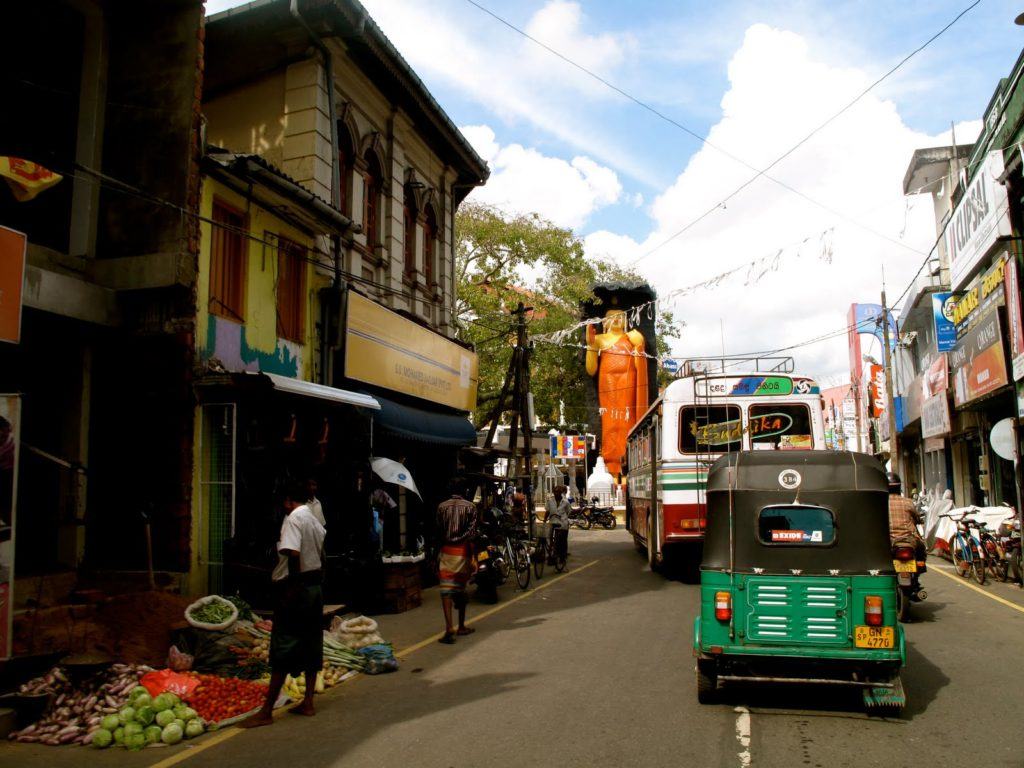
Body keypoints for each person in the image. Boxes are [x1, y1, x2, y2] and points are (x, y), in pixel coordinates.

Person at [242, 481, 326, 727]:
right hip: (313, 587)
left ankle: (267, 710)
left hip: (295, 587)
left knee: (283, 645)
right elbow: (320, 555)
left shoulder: (293, 520)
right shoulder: (314, 520)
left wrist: (291, 588)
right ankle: (308, 701)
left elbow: (292, 552)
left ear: (289, 500)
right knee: (312, 642)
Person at [585, 308, 649, 477]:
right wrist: (591, 346)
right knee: (611, 423)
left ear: (626, 320)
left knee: (627, 422)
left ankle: (630, 461)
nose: (615, 320)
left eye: (620, 317)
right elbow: (591, 370)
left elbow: (640, 361)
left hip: (628, 380)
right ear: (605, 322)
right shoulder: (599, 339)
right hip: (608, 383)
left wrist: (638, 345)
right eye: (611, 317)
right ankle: (612, 466)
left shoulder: (632, 337)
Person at [436, 479, 478, 644]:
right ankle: (461, 626)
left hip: (446, 551)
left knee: (446, 591)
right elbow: (472, 534)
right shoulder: (470, 507)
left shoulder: (441, 507)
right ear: (464, 491)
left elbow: (438, 531)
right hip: (462, 552)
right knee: (460, 590)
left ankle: (449, 627)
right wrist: (473, 556)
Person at [887, 472, 923, 550]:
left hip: (889, 542)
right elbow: (917, 517)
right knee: (921, 548)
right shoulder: (908, 502)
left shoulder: (881, 503)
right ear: (899, 487)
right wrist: (919, 520)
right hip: (909, 540)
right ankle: (921, 562)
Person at [544, 484, 571, 563]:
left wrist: (564, 518)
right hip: (553, 521)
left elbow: (568, 511)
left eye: (558, 492)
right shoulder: (550, 501)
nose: (556, 493)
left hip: (562, 523)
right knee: (549, 538)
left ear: (561, 493)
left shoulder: (565, 502)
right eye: (555, 492)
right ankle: (551, 554)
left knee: (562, 540)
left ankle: (562, 556)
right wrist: (545, 520)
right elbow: (548, 511)